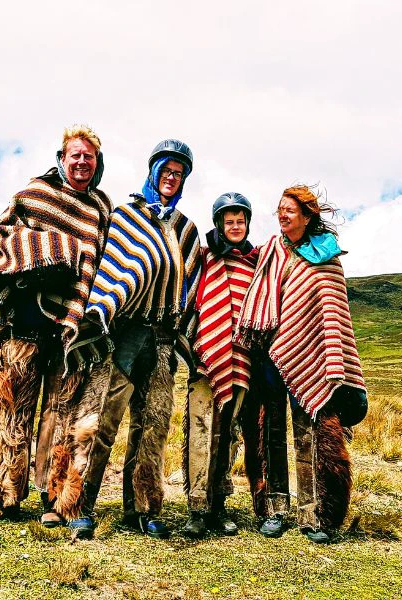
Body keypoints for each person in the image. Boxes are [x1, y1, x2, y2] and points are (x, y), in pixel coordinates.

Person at [49, 139, 202, 540]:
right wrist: (102, 311)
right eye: (166, 171)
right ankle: (79, 503)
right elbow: (114, 268)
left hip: (162, 339)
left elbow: (189, 285)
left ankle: (143, 508)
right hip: (123, 333)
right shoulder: (126, 216)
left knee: (152, 427)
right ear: (153, 172)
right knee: (100, 422)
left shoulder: (186, 230)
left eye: (179, 174)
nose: (171, 178)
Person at [0, 125, 112, 526]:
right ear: (62, 158)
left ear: (97, 163)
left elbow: (100, 260)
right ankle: (4, 494)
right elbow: (2, 232)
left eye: (89, 156)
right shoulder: (35, 194)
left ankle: (53, 499)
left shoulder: (99, 209)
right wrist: (54, 250)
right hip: (23, 324)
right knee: (11, 411)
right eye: (76, 155)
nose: (82, 162)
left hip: (68, 329)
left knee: (61, 415)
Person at [235, 184, 367, 544]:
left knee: (309, 432)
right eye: (280, 209)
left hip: (310, 356)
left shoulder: (325, 255)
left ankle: (314, 514)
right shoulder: (270, 251)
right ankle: (274, 509)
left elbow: (332, 313)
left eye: (290, 210)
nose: (282, 215)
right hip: (269, 354)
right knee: (271, 430)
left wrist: (330, 358)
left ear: (307, 216)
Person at [181, 193, 259, 538]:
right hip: (205, 357)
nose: (235, 226)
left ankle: (219, 505)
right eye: (229, 221)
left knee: (227, 433)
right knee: (200, 430)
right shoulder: (204, 256)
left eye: (240, 221)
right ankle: (197, 507)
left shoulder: (255, 262)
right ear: (219, 224)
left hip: (240, 357)